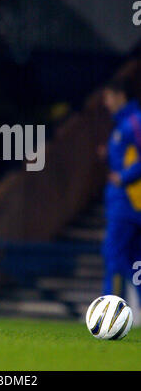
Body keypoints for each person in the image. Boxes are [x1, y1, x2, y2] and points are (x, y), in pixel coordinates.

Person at [101, 78, 141, 309]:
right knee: (136, 260)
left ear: (119, 95)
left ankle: (110, 313)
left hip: (128, 203)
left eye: (107, 97)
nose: (106, 102)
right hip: (128, 203)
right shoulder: (125, 123)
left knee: (114, 255)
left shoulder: (134, 122)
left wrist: (123, 177)